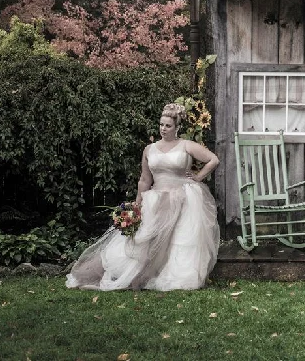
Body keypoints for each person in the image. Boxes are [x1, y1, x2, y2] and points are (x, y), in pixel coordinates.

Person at [67, 103, 220, 291]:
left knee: (180, 239)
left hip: (183, 197)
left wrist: (197, 177)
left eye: (168, 126)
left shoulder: (186, 145)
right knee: (145, 239)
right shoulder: (149, 149)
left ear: (177, 127)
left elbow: (213, 159)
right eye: (161, 125)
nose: (163, 129)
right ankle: (136, 274)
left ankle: (175, 275)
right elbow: (145, 179)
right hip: (156, 199)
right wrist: (137, 204)